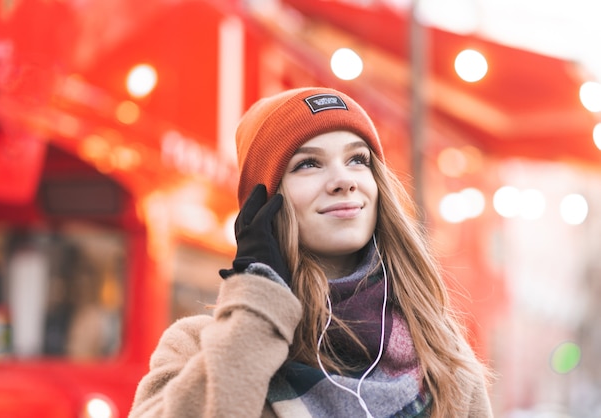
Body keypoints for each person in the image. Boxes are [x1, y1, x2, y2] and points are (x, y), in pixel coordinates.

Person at [129, 87, 493, 417]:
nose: (344, 180)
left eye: (358, 160)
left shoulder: (442, 358)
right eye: (308, 164)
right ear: (264, 204)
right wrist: (256, 304)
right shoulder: (196, 348)